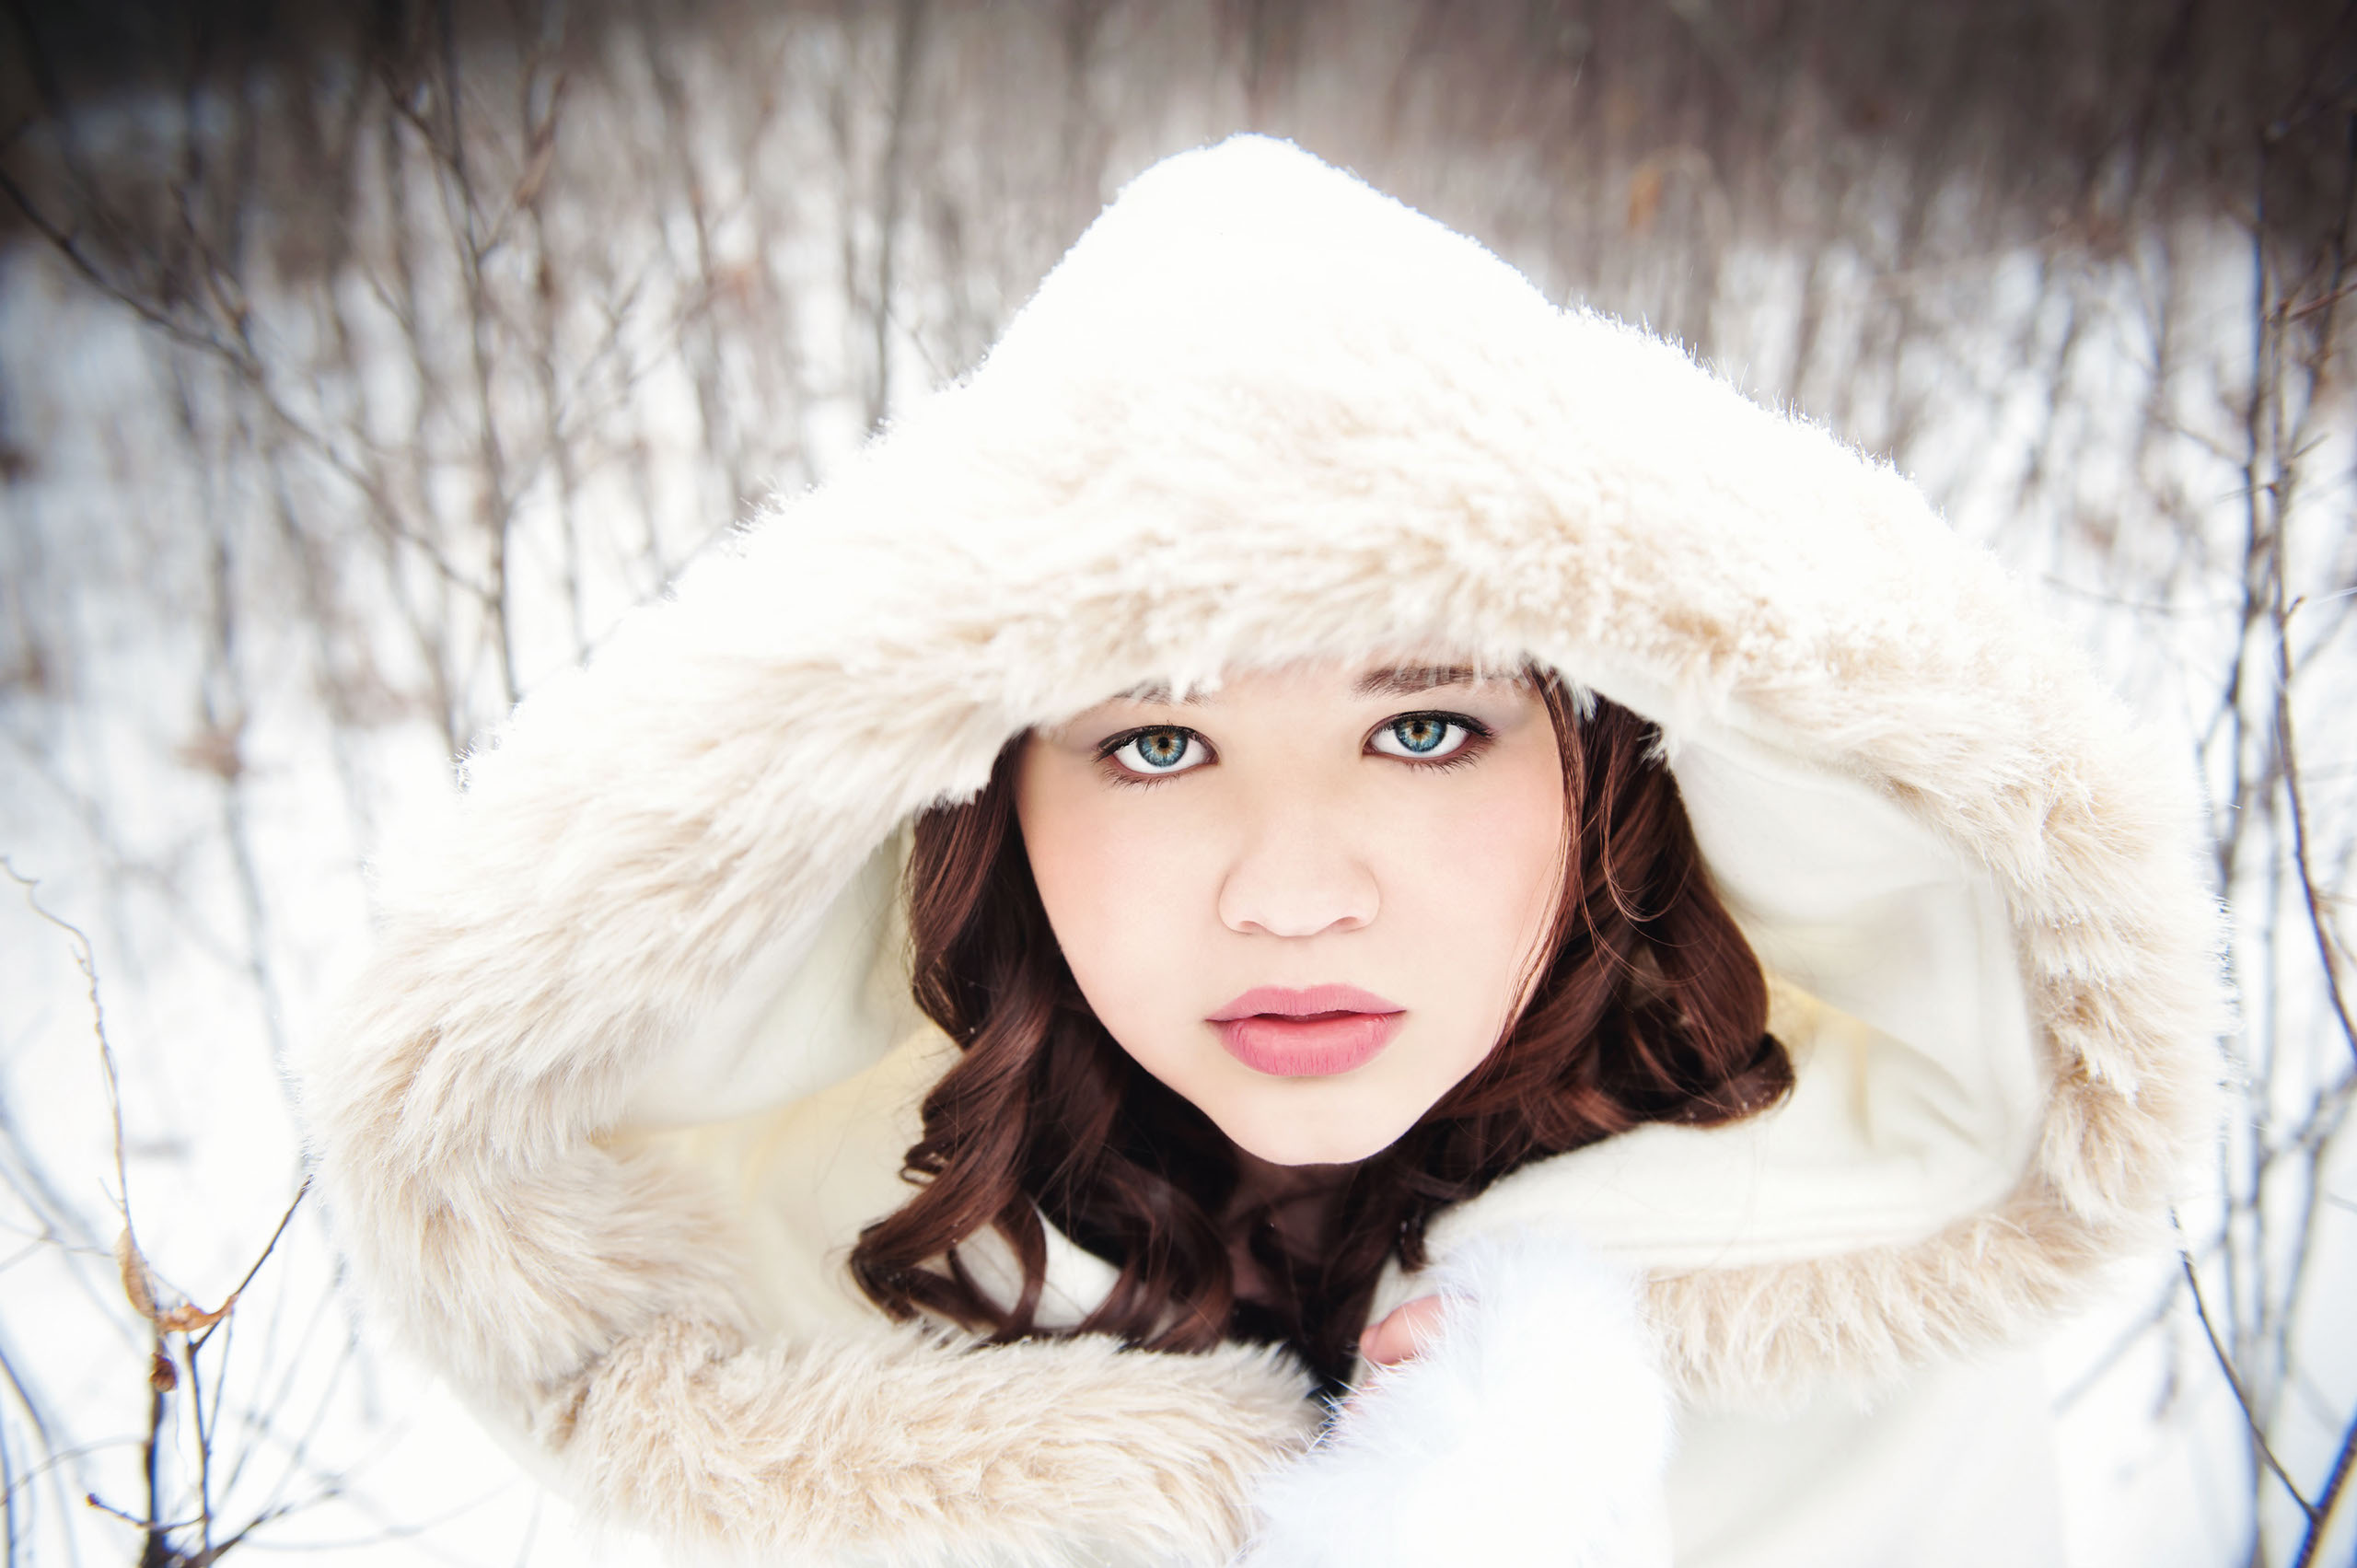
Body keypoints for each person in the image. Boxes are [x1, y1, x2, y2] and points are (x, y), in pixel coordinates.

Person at [299, 136, 2224, 1567]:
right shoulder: (817, 1354)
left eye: (1421, 727)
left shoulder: (1837, 1295)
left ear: (1605, 768)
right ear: (979, 809)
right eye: (1155, 739)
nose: (1290, 891)